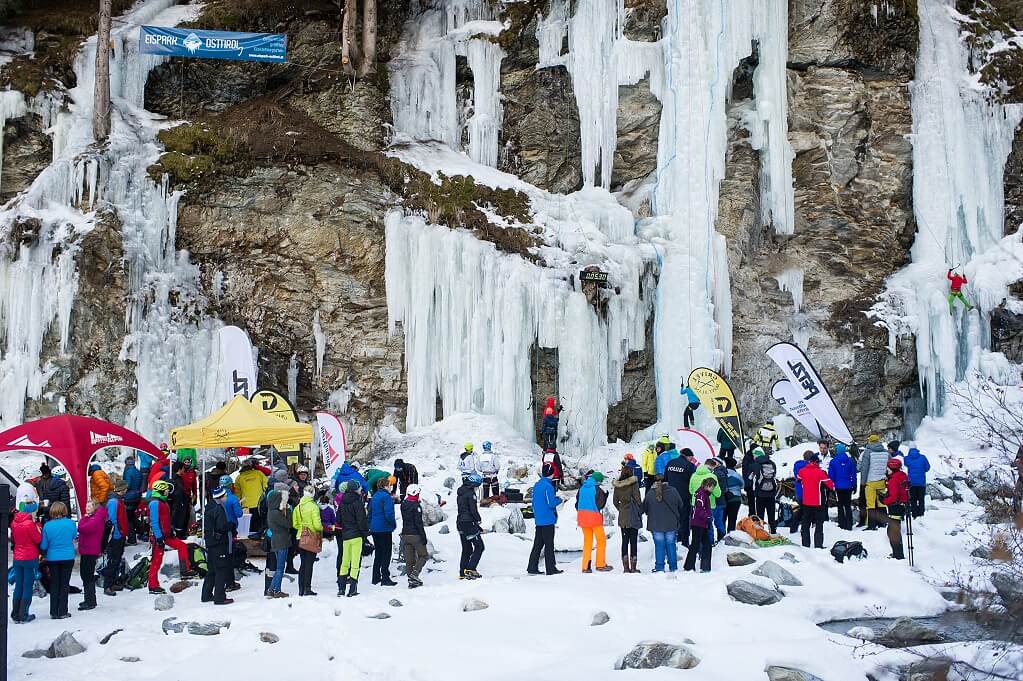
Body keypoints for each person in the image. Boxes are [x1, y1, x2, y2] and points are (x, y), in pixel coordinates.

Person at [147, 480, 193, 594]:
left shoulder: (163, 502)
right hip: (159, 536)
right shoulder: (155, 503)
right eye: (166, 490)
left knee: (182, 546)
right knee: (157, 560)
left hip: (166, 535)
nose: (168, 492)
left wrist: (171, 530)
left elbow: (166, 520)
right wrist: (158, 537)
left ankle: (185, 570)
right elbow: (154, 522)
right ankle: (153, 585)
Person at [40, 502, 76, 619]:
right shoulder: (71, 523)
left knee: (54, 583)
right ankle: (62, 611)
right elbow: (73, 536)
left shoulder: (47, 526)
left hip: (52, 557)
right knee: (64, 584)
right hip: (67, 556)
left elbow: (44, 545)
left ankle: (54, 611)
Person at [527, 463, 564, 575]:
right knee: (549, 545)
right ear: (551, 474)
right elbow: (551, 503)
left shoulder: (537, 485)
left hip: (539, 519)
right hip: (547, 519)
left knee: (538, 544)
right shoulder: (548, 486)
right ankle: (551, 568)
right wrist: (560, 499)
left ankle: (532, 567)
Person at [11, 498, 42, 623]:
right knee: (27, 585)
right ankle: (23, 614)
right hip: (29, 557)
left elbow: (13, 539)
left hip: (18, 557)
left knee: (19, 584)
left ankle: (15, 613)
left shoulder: (14, 522)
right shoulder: (30, 524)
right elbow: (38, 539)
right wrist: (38, 526)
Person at [202, 486, 234, 605]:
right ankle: (219, 597)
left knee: (212, 570)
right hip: (219, 543)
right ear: (220, 497)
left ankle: (206, 594)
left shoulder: (209, 506)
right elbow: (221, 527)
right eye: (225, 496)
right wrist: (231, 526)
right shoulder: (218, 508)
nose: (226, 497)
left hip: (211, 543)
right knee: (221, 570)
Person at [643, 477, 683, 572]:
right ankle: (673, 567)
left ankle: (659, 567)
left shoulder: (650, 493)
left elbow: (644, 508)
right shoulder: (673, 491)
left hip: (656, 524)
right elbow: (680, 505)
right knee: (671, 544)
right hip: (671, 524)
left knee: (659, 545)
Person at [796, 453, 835, 549]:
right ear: (817, 462)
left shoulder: (802, 471)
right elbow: (831, 485)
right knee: (819, 524)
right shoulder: (820, 472)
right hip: (818, 502)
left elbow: (798, 479)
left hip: (806, 502)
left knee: (805, 524)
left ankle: (805, 544)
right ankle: (818, 545)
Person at [337, 480, 368, 597]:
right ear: (356, 489)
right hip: (356, 536)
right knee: (355, 562)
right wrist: (365, 533)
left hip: (346, 536)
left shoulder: (342, 502)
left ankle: (341, 588)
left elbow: (338, 519)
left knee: (344, 562)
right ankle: (352, 589)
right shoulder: (357, 502)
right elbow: (361, 520)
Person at [576, 471, 611, 573]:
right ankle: (600, 564)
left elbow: (577, 503)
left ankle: (585, 566)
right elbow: (600, 505)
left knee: (587, 542)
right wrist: (605, 496)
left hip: (582, 517)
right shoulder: (597, 489)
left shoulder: (582, 488)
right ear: (598, 481)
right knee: (601, 540)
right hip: (594, 518)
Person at [76, 499, 108, 611]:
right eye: (86, 506)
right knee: (85, 575)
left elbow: (82, 528)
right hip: (87, 549)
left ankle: (90, 601)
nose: (87, 508)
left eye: (89, 506)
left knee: (87, 575)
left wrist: (84, 518)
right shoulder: (94, 518)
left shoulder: (96, 519)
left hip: (90, 550)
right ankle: (89, 599)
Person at [293, 485, 323, 596]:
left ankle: (301, 588)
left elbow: (295, 524)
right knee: (309, 564)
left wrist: (302, 528)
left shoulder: (298, 506)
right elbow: (317, 525)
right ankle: (307, 588)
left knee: (303, 563)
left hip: (300, 537)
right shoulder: (313, 506)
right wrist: (321, 528)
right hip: (311, 538)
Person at [613, 463, 643, 573]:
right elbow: (638, 499)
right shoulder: (633, 484)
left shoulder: (617, 485)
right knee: (633, 541)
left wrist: (621, 509)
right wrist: (639, 508)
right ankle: (633, 567)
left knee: (624, 541)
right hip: (633, 515)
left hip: (623, 516)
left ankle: (625, 568)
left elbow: (615, 502)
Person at [368, 477, 397, 586]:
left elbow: (369, 512)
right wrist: (393, 524)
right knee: (386, 553)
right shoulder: (386, 497)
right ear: (386, 486)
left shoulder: (374, 496)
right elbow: (389, 513)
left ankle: (375, 577)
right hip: (384, 528)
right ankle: (385, 577)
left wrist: (370, 524)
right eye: (389, 485)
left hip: (375, 528)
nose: (390, 487)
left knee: (379, 552)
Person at [265, 482, 293, 598]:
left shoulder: (271, 511)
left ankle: (271, 589)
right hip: (282, 540)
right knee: (280, 568)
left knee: (278, 567)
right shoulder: (277, 513)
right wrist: (289, 511)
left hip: (275, 540)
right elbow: (288, 524)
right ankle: (277, 590)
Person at [457, 473, 486, 579]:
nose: (477, 489)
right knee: (479, 546)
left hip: (460, 523)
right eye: (477, 486)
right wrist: (478, 520)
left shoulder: (461, 492)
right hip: (468, 523)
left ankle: (462, 572)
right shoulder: (471, 494)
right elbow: (473, 510)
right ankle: (471, 569)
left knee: (467, 548)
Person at [683, 477, 716, 572]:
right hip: (699, 523)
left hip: (702, 523)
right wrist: (708, 517)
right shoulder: (701, 494)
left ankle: (701, 567)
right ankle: (690, 566)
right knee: (696, 545)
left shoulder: (703, 494)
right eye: (712, 487)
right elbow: (699, 509)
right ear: (708, 486)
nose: (713, 490)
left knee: (705, 544)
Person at [400, 484, 429, 588]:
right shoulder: (416, 506)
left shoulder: (403, 504)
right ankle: (414, 574)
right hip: (415, 535)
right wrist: (423, 537)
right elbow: (418, 523)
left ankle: (411, 580)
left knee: (409, 560)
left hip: (405, 534)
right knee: (424, 555)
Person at [664, 450, 696, 544]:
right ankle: (684, 539)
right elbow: (693, 481)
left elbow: (665, 479)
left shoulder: (670, 463)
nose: (692, 459)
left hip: (670, 496)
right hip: (684, 496)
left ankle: (673, 537)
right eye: (691, 457)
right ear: (688, 456)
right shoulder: (689, 465)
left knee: (672, 517)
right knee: (684, 518)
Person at [859, 435, 890, 530]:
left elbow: (864, 468)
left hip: (871, 482)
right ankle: (883, 523)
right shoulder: (886, 453)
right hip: (882, 481)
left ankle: (871, 525)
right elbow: (889, 467)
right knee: (882, 502)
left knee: (871, 504)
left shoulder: (868, 452)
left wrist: (863, 483)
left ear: (870, 441)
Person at [102, 489, 130, 597]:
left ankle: (112, 582)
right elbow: (112, 520)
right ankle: (107, 585)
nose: (126, 490)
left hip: (119, 535)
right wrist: (118, 533)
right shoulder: (114, 502)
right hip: (116, 536)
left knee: (117, 559)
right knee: (113, 560)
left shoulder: (117, 500)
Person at [883, 459, 910, 559]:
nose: (886, 469)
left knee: (892, 531)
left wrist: (885, 501)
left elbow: (893, 496)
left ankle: (898, 555)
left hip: (895, 506)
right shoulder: (902, 475)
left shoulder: (894, 479)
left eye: (888, 468)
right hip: (902, 505)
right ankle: (898, 554)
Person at [827, 444, 857, 530]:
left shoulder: (833, 461)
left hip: (838, 487)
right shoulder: (850, 461)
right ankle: (849, 523)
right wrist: (854, 485)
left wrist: (832, 485)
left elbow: (831, 476)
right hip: (848, 487)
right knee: (847, 505)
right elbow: (853, 475)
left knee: (840, 505)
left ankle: (842, 523)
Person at [234, 459, 268, 533]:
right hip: (259, 504)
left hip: (246, 505)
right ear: (251, 466)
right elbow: (266, 486)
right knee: (259, 524)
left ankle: (250, 541)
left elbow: (237, 493)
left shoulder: (239, 478)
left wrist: (238, 503)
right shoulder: (259, 474)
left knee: (249, 525)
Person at [751, 448, 779, 532]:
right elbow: (774, 475)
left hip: (760, 494)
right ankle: (773, 531)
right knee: (771, 514)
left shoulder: (755, 464)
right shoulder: (772, 463)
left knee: (760, 515)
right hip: (771, 493)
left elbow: (750, 478)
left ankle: (761, 532)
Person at [122, 455, 144, 544]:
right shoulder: (137, 471)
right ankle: (142, 530)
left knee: (128, 518)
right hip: (137, 496)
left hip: (129, 498)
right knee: (132, 516)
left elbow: (128, 485)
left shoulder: (128, 472)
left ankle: (132, 539)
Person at [904, 447, 931, 518]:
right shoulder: (923, 457)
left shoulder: (907, 458)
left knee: (913, 499)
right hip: (921, 482)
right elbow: (927, 468)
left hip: (911, 482)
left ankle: (914, 514)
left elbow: (905, 464)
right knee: (921, 498)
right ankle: (921, 513)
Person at [170, 462, 191, 539]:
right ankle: (179, 536)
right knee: (179, 521)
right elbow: (179, 494)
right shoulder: (177, 480)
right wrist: (184, 501)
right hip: (179, 504)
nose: (184, 470)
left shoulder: (172, 478)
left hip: (176, 503)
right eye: (183, 468)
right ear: (179, 469)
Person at [723, 457, 744, 533]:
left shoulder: (722, 473)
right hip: (735, 498)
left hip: (724, 498)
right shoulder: (736, 475)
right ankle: (730, 534)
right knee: (732, 518)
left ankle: (721, 535)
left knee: (723, 518)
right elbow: (742, 485)